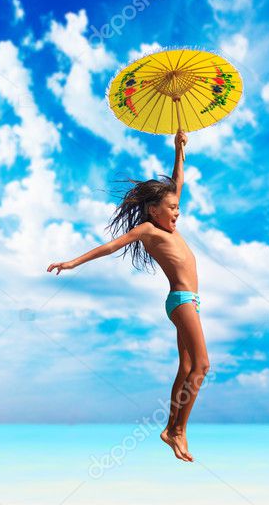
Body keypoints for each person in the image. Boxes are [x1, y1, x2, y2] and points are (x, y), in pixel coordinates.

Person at [47, 130, 208, 462]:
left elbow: (178, 181)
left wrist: (178, 148)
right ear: (152, 210)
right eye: (172, 208)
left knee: (188, 366)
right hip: (181, 300)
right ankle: (179, 430)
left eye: (178, 207)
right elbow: (110, 247)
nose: (177, 213)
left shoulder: (165, 222)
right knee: (203, 365)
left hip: (190, 301)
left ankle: (169, 429)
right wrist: (73, 261)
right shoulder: (148, 230)